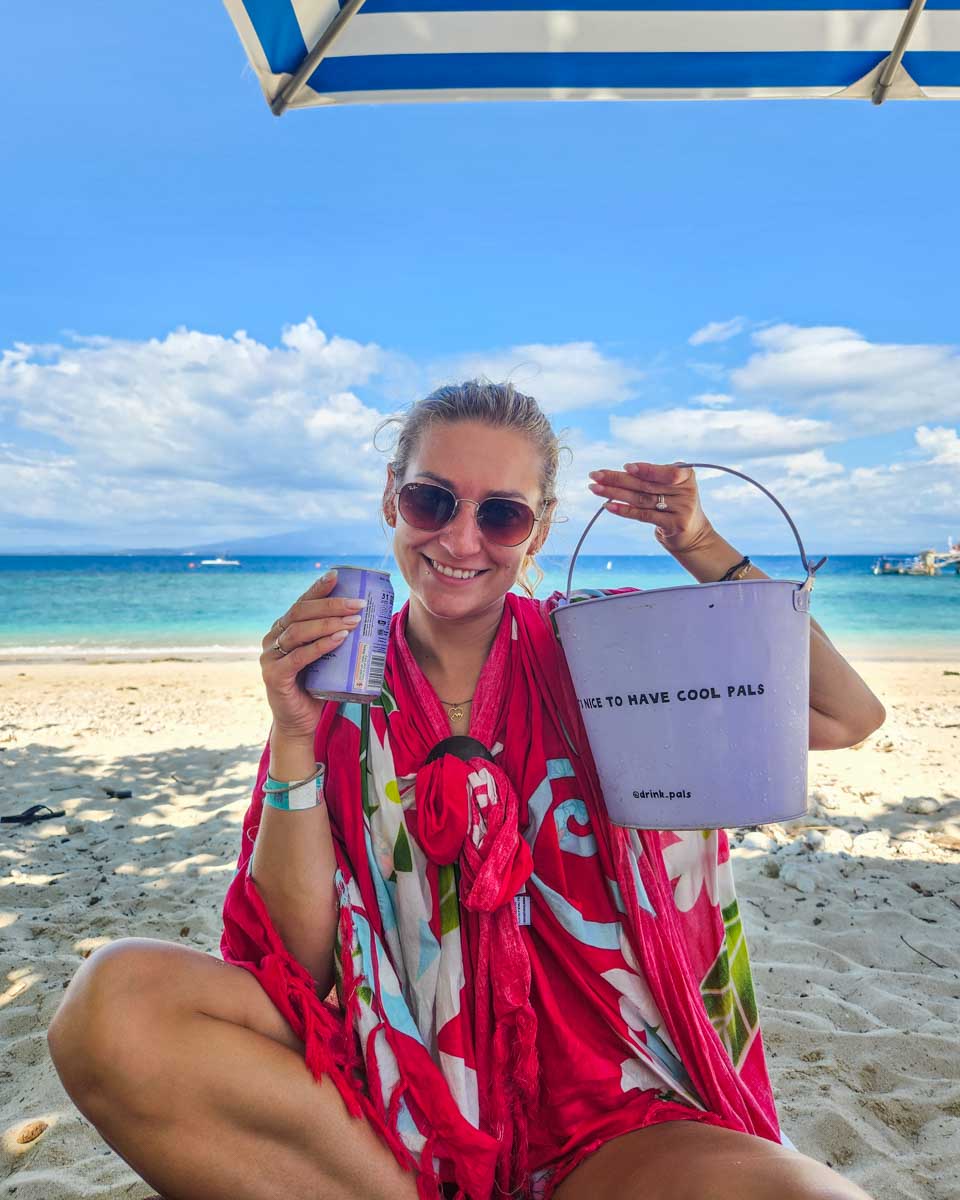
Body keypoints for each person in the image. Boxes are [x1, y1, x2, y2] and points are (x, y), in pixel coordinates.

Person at [47, 381, 885, 1200]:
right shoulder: (334, 698)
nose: (460, 538)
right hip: (393, 1095)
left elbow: (843, 715)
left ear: (540, 528)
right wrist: (296, 738)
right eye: (431, 500)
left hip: (611, 1112)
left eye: (501, 514)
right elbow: (299, 967)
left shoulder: (607, 656)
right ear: (390, 500)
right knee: (112, 1005)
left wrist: (702, 546)